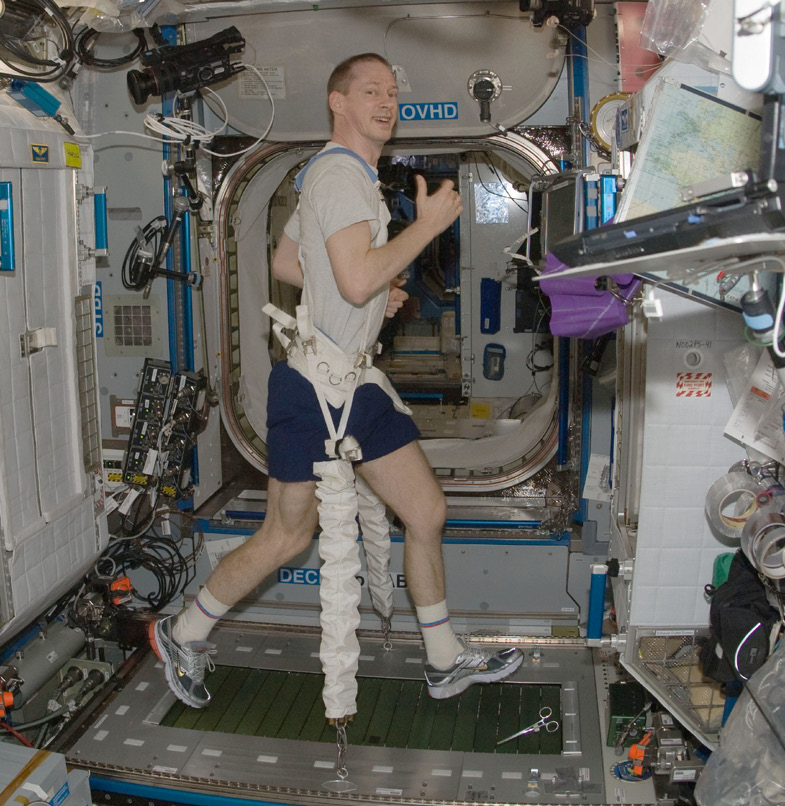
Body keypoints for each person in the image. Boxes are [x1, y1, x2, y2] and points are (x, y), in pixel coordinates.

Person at [149, 52, 522, 711]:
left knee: (426, 511)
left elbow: (289, 263)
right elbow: (352, 277)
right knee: (286, 536)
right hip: (316, 389)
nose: (386, 100)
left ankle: (442, 660)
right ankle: (183, 632)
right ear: (337, 103)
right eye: (369, 90)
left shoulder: (338, 177)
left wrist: (377, 294)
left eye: (392, 91)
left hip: (356, 383)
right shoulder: (340, 177)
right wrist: (425, 232)